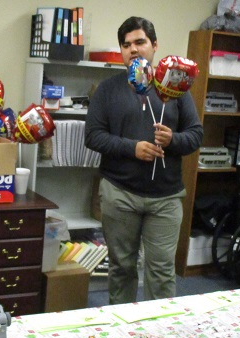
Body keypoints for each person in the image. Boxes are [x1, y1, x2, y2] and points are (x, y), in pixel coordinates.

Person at [85, 16, 203, 304]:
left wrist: (172, 139)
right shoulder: (108, 90)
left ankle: (159, 336)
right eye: (126, 45)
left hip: (166, 197)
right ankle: (122, 329)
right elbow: (93, 137)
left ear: (154, 46)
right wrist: (132, 148)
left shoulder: (175, 88)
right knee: (122, 268)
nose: (133, 50)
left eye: (139, 42)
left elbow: (195, 135)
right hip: (119, 193)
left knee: (162, 270)